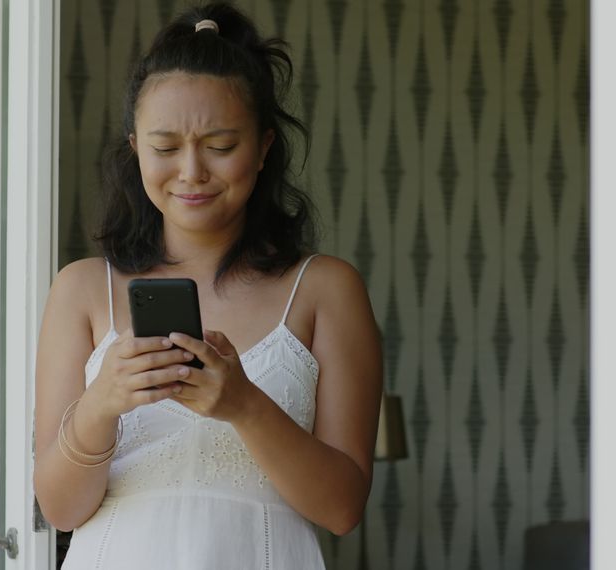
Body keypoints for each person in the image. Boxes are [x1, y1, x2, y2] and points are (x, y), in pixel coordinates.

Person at [33, 3, 382, 568]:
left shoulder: (325, 290)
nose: (191, 171)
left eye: (220, 146)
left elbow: (342, 508)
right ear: (134, 148)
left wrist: (245, 406)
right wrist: (101, 406)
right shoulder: (81, 290)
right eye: (165, 148)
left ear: (265, 146)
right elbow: (60, 510)